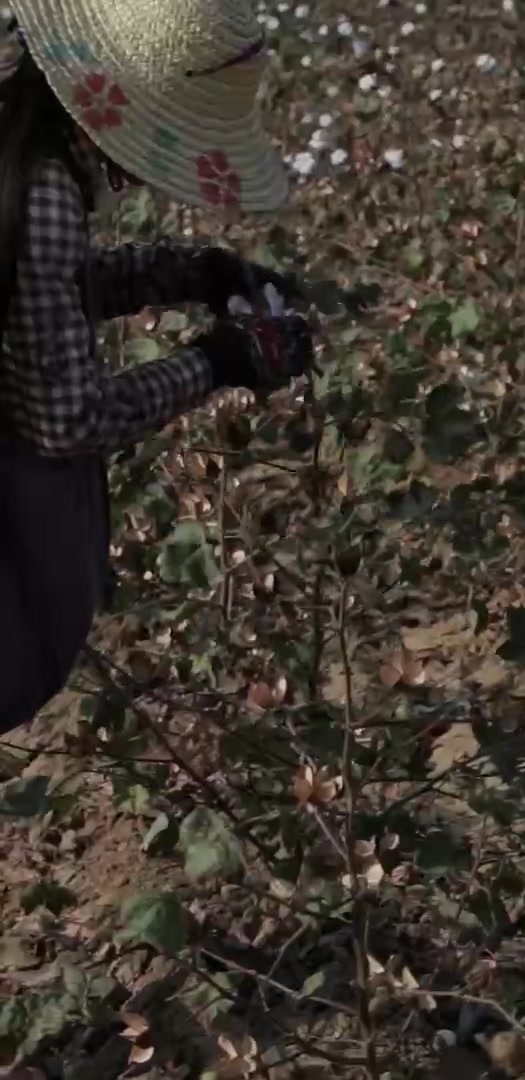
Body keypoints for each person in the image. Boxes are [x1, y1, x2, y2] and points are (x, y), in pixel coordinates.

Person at [0, 0, 314, 734]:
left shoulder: (14, 133)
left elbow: (34, 297)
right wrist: (219, 362)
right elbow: (70, 421)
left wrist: (191, 273)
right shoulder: (41, 194)